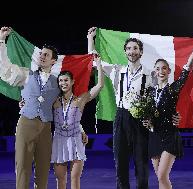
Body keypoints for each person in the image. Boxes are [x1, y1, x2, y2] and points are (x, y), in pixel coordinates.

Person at [87, 27, 180, 189]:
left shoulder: (150, 74)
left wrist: (174, 114)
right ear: (125, 52)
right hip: (121, 118)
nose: (132, 51)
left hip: (141, 120)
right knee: (120, 162)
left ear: (141, 52)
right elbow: (94, 60)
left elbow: (163, 94)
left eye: (135, 48)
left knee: (141, 163)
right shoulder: (117, 70)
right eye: (129, 48)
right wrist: (90, 39)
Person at [0, 26, 86, 189]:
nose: (42, 56)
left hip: (46, 128)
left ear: (54, 60)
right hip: (26, 123)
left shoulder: (58, 83)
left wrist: (80, 129)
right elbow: (5, 69)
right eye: (41, 54)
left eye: (46, 54)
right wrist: (1, 41)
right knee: (23, 168)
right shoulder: (26, 74)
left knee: (43, 170)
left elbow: (67, 108)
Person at [141, 35, 193, 189]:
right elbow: (146, 112)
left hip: (170, 134)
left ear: (169, 70)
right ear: (154, 72)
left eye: (164, 68)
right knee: (160, 178)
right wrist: (146, 120)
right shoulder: (149, 92)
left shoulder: (173, 89)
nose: (161, 71)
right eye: (158, 69)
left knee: (163, 175)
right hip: (154, 135)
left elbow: (186, 70)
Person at [51, 54, 103, 189]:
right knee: (60, 180)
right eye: (61, 81)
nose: (63, 83)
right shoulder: (54, 101)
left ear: (73, 81)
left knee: (75, 179)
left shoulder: (81, 99)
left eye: (66, 80)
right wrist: (23, 103)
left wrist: (99, 64)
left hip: (75, 140)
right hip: (59, 140)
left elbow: (100, 85)